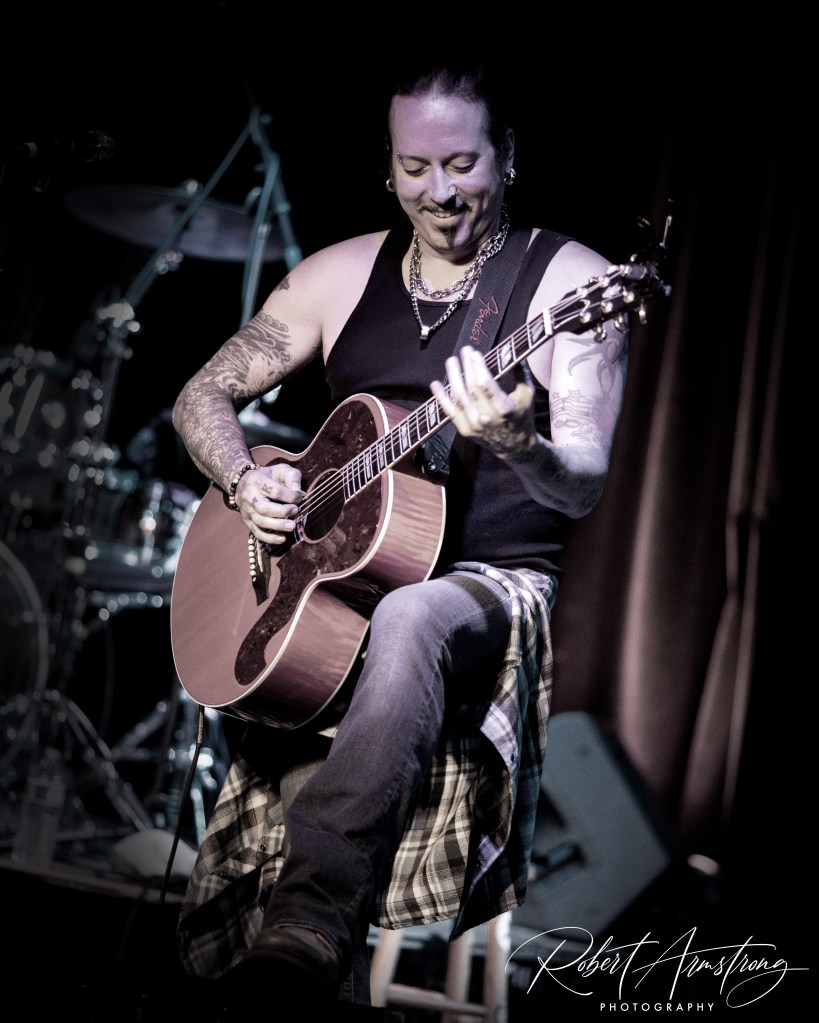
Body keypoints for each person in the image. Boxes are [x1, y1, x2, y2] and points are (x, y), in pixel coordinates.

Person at [171, 60, 628, 1009]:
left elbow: (583, 483)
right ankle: (297, 978)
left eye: (461, 164)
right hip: (335, 582)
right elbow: (202, 393)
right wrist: (246, 479)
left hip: (489, 585)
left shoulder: (571, 283)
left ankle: (308, 927)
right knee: (324, 708)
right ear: (388, 167)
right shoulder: (339, 274)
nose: (439, 192)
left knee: (410, 617)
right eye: (415, 168)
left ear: (505, 156)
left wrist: (521, 443)